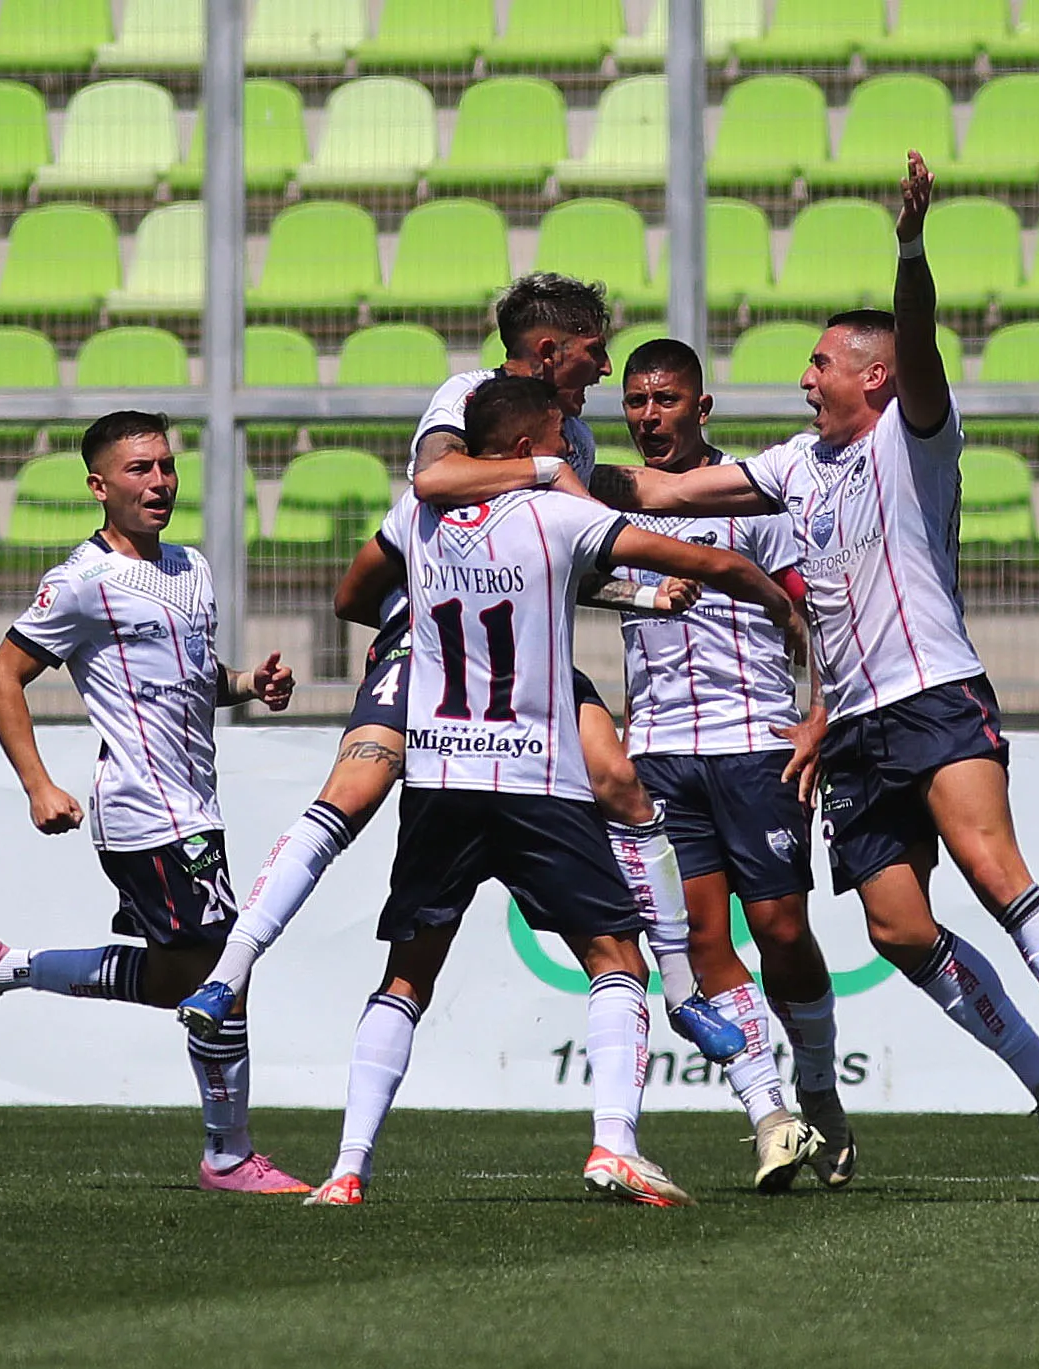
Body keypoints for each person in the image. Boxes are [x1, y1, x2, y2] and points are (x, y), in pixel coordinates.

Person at [579, 152, 1039, 1181]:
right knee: (895, 928)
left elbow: (920, 339)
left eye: (819, 363)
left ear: (872, 375)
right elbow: (660, 496)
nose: (804, 377)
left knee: (990, 867)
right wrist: (544, 464)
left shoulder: (913, 438)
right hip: (850, 729)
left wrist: (911, 248)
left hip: (930, 693)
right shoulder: (797, 466)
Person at [179, 274, 743, 1063]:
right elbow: (433, 480)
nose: (604, 372)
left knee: (618, 777)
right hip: (432, 643)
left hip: (520, 655)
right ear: (548, 353)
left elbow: (579, 552)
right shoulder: (468, 398)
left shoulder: (571, 440)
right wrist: (542, 479)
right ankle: (227, 974)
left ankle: (681, 993)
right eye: (593, 353)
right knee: (355, 790)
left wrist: (650, 594)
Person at [300, 375, 807, 1207]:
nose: (570, 447)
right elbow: (703, 557)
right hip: (536, 778)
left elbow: (352, 595)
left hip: (440, 775)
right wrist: (770, 601)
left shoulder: (414, 518)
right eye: (557, 433)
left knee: (406, 976)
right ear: (524, 442)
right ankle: (614, 1146)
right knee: (615, 959)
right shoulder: (560, 515)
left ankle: (347, 1167)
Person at [0, 411, 309, 1194]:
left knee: (180, 980)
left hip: (193, 805)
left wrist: (247, 686)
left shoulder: (191, 567)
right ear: (100, 486)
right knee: (222, 972)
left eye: (166, 466)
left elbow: (190, 679)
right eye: (139, 469)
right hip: (147, 810)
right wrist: (38, 783)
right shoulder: (81, 582)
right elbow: (1, 676)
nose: (160, 482)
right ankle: (228, 1155)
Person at [610, 338, 863, 1193]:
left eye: (665, 401)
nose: (650, 417)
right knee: (706, 942)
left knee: (781, 930)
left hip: (755, 738)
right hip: (658, 748)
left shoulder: (755, 499)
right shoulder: (615, 510)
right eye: (637, 403)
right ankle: (773, 1119)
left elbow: (819, 610)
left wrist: (822, 714)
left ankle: (819, 1089)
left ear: (700, 408)